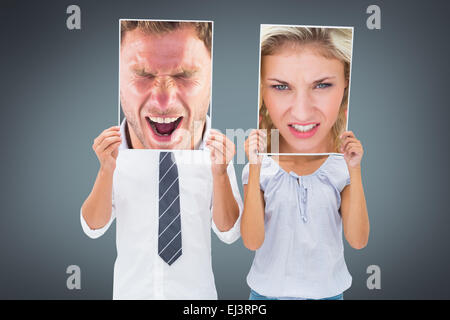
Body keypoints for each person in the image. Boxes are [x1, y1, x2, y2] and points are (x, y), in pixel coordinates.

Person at [80, 20, 242, 300]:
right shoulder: (113, 153)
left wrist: (221, 174)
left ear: (211, 80)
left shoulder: (217, 153)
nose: (164, 100)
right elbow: (93, 229)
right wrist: (106, 170)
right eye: (142, 74)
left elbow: (229, 233)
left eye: (185, 75)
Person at [241, 26, 369, 300]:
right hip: (266, 295)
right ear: (261, 90)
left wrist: (355, 170)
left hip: (328, 294)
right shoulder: (260, 168)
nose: (301, 111)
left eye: (322, 85)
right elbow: (252, 241)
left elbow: (358, 241)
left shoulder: (340, 168)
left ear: (346, 84)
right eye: (280, 86)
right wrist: (254, 165)